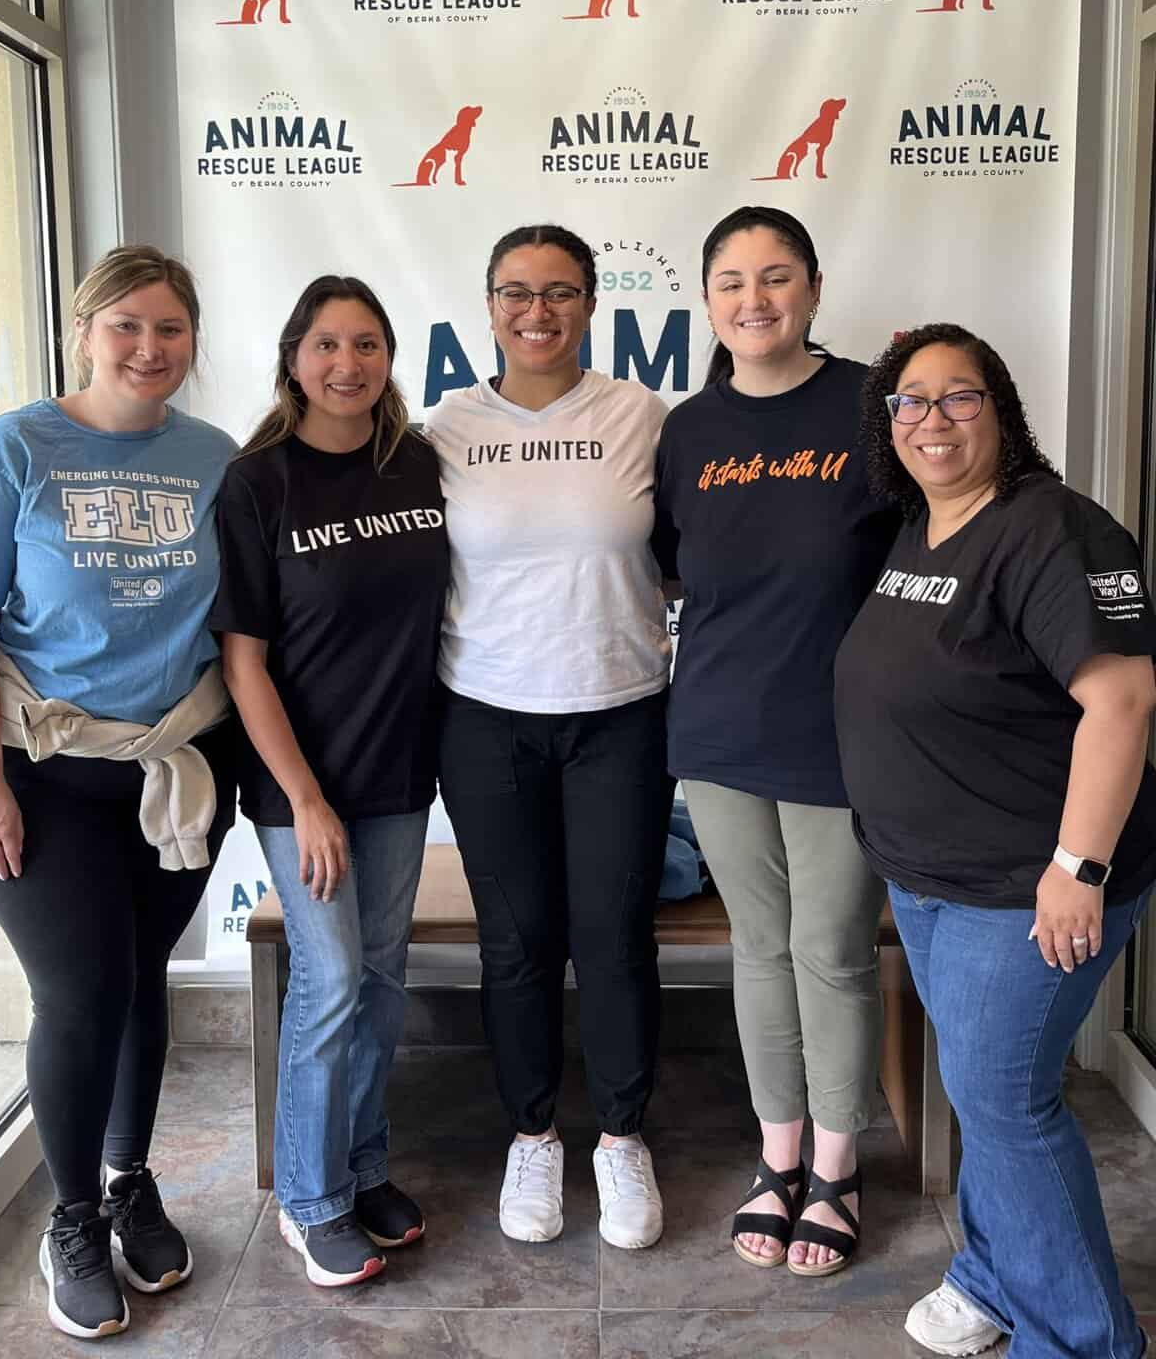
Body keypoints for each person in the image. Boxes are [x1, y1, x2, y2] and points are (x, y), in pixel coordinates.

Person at [834, 323, 1156, 1358]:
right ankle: (991, 1274)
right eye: (910, 400)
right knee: (984, 1095)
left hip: (1027, 885)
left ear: (1002, 412)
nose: (933, 419)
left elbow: (1122, 702)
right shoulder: (920, 525)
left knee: (1006, 1104)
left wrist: (1076, 868)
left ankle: (1083, 1341)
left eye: (959, 396)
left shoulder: (1054, 529)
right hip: (932, 878)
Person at [0, 246, 237, 1340]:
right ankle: (70, 1218)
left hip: (172, 769)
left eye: (170, 327)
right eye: (125, 324)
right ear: (84, 332)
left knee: (136, 980)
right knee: (79, 992)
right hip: (39, 768)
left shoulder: (213, 458)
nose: (148, 347)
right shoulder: (17, 446)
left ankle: (128, 1181)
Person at [653, 205, 898, 1276]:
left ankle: (838, 1169)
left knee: (831, 950)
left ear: (813, 288)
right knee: (758, 947)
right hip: (716, 728)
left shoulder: (871, 406)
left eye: (776, 276)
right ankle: (779, 1157)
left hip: (842, 732)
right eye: (732, 282)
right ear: (708, 302)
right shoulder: (687, 430)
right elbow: (671, 566)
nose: (754, 299)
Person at [427, 223, 672, 1251]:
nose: (539, 311)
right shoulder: (444, 428)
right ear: (488, 306)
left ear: (591, 303)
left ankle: (621, 1136)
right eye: (517, 292)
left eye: (561, 291)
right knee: (517, 942)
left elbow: (695, 551)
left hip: (621, 713)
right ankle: (533, 1136)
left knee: (614, 937)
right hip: (486, 719)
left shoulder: (641, 415)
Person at [213, 276, 448, 1290]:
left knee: (383, 978)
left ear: (388, 357)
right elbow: (243, 662)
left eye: (366, 344)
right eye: (326, 345)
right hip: (300, 783)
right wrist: (306, 800)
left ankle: (362, 1168)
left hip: (399, 768)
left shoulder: (419, 462)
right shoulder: (257, 481)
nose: (347, 364)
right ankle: (310, 1203)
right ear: (293, 358)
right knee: (332, 979)